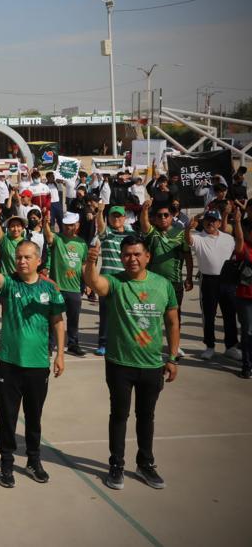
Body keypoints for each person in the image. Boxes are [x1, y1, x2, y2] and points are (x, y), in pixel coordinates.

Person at [83, 235, 180, 490]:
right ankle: (116, 465)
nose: (132, 259)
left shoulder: (163, 285)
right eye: (127, 254)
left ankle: (145, 463)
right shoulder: (115, 283)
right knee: (119, 415)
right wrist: (90, 263)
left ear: (148, 256)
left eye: (137, 254)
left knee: (146, 416)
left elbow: (172, 322)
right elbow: (94, 282)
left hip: (152, 365)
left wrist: (172, 358)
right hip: (119, 364)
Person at [0, 241, 66, 488]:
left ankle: (33, 460)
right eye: (18, 257)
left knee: (34, 416)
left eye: (27, 257)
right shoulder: (10, 285)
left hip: (38, 364)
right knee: (7, 418)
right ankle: (6, 464)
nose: (21, 261)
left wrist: (60, 354)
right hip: (8, 363)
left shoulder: (50, 289)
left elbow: (58, 321)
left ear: (38, 260)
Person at [187, 210, 238, 361]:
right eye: (207, 220)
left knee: (230, 314)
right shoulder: (198, 237)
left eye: (213, 220)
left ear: (218, 222)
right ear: (203, 222)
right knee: (209, 315)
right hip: (208, 281)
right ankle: (210, 346)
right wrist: (187, 228)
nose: (210, 223)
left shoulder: (229, 239)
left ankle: (231, 347)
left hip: (228, 281)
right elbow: (188, 240)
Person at [43, 211, 88, 357]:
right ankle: (50, 345)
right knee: (53, 318)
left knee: (73, 319)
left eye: (71, 225)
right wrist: (46, 223)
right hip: (57, 287)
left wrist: (87, 283)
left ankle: (73, 344)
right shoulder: (58, 238)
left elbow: (84, 265)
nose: (68, 228)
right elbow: (48, 236)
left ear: (77, 225)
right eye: (66, 225)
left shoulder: (82, 243)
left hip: (74, 288)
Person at [95, 204, 132, 355]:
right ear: (109, 218)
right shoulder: (106, 232)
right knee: (105, 313)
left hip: (125, 280)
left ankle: (123, 341)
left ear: (124, 218)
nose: (116, 219)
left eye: (119, 216)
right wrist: (100, 212)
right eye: (113, 216)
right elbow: (100, 226)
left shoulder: (131, 235)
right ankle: (103, 343)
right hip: (107, 280)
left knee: (125, 313)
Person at [230, 216, 252, 378]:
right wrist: (237, 222)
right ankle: (247, 365)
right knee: (248, 331)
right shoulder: (243, 248)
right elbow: (239, 238)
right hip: (245, 297)